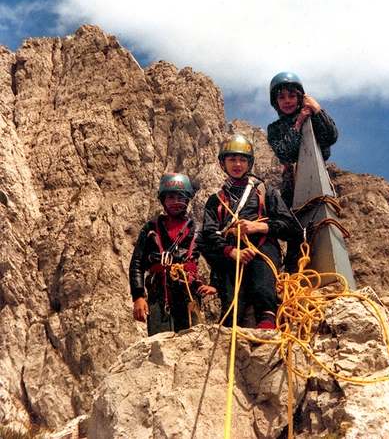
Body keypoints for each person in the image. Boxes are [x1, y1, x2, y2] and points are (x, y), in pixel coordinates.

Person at [199, 134, 303, 330]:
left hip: (263, 249)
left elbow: (291, 226)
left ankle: (267, 322)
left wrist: (258, 226)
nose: (237, 164)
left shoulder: (264, 190)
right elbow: (209, 235)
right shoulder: (216, 200)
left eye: (242, 159)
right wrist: (232, 252)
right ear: (223, 163)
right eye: (232, 159)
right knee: (231, 307)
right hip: (232, 255)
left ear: (249, 163)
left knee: (263, 290)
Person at [129, 173, 216, 336]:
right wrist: (138, 297)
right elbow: (137, 263)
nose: (176, 202)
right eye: (171, 197)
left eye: (181, 197)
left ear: (188, 199)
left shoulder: (198, 231)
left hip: (189, 292)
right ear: (163, 200)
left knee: (192, 341)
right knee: (159, 343)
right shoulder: (150, 230)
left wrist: (215, 284)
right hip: (159, 294)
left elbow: (216, 260)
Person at [267, 71, 338, 209]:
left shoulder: (313, 117)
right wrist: (298, 124)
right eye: (281, 97)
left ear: (300, 98)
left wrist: (317, 109)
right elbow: (285, 153)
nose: (287, 101)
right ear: (276, 102)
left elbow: (331, 137)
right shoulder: (274, 128)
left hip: (318, 180)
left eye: (292, 96)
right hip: (291, 189)